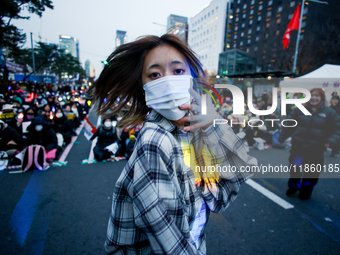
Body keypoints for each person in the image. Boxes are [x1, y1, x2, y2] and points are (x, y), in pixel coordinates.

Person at [89, 34, 256, 254]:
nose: (167, 82)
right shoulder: (154, 141)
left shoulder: (194, 132)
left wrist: (215, 126)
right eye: (155, 74)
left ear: (192, 79)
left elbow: (234, 179)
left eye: (177, 71)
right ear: (144, 87)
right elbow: (167, 238)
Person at [279, 88, 340, 200]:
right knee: (295, 169)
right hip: (298, 147)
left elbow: (337, 128)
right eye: (311, 95)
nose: (314, 98)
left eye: (317, 96)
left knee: (312, 172)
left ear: (321, 98)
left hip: (316, 149)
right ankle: (293, 187)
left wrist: (331, 141)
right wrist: (282, 137)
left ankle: (306, 190)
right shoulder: (299, 110)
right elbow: (288, 124)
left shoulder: (330, 113)